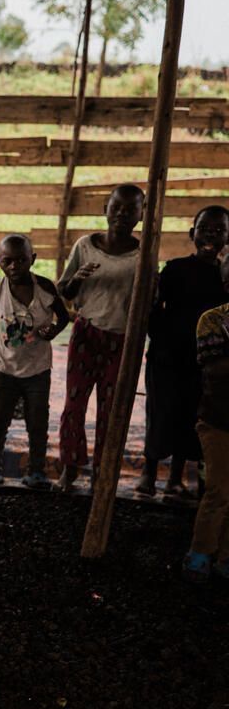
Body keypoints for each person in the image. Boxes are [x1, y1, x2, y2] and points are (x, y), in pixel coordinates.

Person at [55, 183, 144, 492]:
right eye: (116, 207)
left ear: (141, 215)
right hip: (86, 334)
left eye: (130, 209)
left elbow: (147, 301)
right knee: (74, 403)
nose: (122, 214)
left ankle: (102, 474)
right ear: (104, 208)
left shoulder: (142, 255)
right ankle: (70, 467)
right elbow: (64, 291)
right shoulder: (85, 246)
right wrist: (76, 280)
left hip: (122, 340)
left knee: (111, 409)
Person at [137, 205, 229, 497]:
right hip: (166, 355)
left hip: (202, 361)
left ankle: (175, 478)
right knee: (160, 412)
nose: (210, 236)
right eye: (204, 229)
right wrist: (158, 338)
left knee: (190, 416)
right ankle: (148, 473)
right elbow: (154, 307)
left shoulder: (225, 278)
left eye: (219, 230)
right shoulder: (175, 268)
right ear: (192, 234)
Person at [0, 234, 70, 489]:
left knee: (37, 421)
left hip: (38, 369)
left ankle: (36, 471)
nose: (14, 266)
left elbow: (63, 317)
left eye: (21, 260)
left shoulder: (45, 288)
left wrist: (54, 331)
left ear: (33, 259)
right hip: (6, 369)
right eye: (7, 261)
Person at [184, 261, 229, 583]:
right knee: (219, 490)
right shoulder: (213, 320)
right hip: (218, 421)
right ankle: (200, 555)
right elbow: (215, 370)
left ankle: (226, 558)